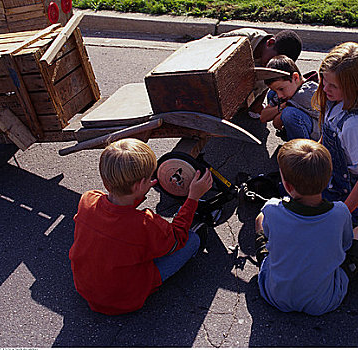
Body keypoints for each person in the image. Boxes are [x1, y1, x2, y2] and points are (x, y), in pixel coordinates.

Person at [69, 138, 213, 315]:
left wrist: (137, 193)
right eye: (149, 178)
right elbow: (177, 239)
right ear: (138, 185)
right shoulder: (146, 223)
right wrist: (193, 198)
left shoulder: (88, 199)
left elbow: (117, 212)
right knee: (191, 240)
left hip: (86, 289)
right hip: (125, 299)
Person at [255, 139, 358, 316]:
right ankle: (348, 273)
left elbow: (267, 231)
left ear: (287, 186)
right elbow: (344, 245)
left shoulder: (272, 209)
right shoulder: (340, 212)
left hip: (274, 295)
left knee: (260, 218)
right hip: (324, 301)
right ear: (328, 179)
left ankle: (265, 259)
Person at [312, 42, 358, 228]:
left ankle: (355, 213)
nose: (325, 88)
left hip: (349, 185)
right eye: (324, 80)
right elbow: (325, 141)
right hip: (332, 174)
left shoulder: (354, 126)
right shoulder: (333, 102)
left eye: (333, 85)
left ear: (354, 86)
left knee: (313, 217)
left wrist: (343, 210)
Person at [218, 28, 302, 118]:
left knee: (273, 74)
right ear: (270, 43)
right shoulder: (239, 39)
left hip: (238, 91)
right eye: (271, 59)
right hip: (219, 86)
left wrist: (257, 106)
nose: (271, 65)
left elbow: (270, 77)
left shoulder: (269, 62)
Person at [260, 55, 320, 141]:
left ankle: (302, 151)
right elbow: (263, 117)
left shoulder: (306, 93)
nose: (279, 95)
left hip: (319, 135)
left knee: (289, 114)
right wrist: (282, 106)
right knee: (272, 94)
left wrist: (279, 114)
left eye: (281, 89)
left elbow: (277, 122)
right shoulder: (289, 88)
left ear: (295, 77)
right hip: (305, 123)